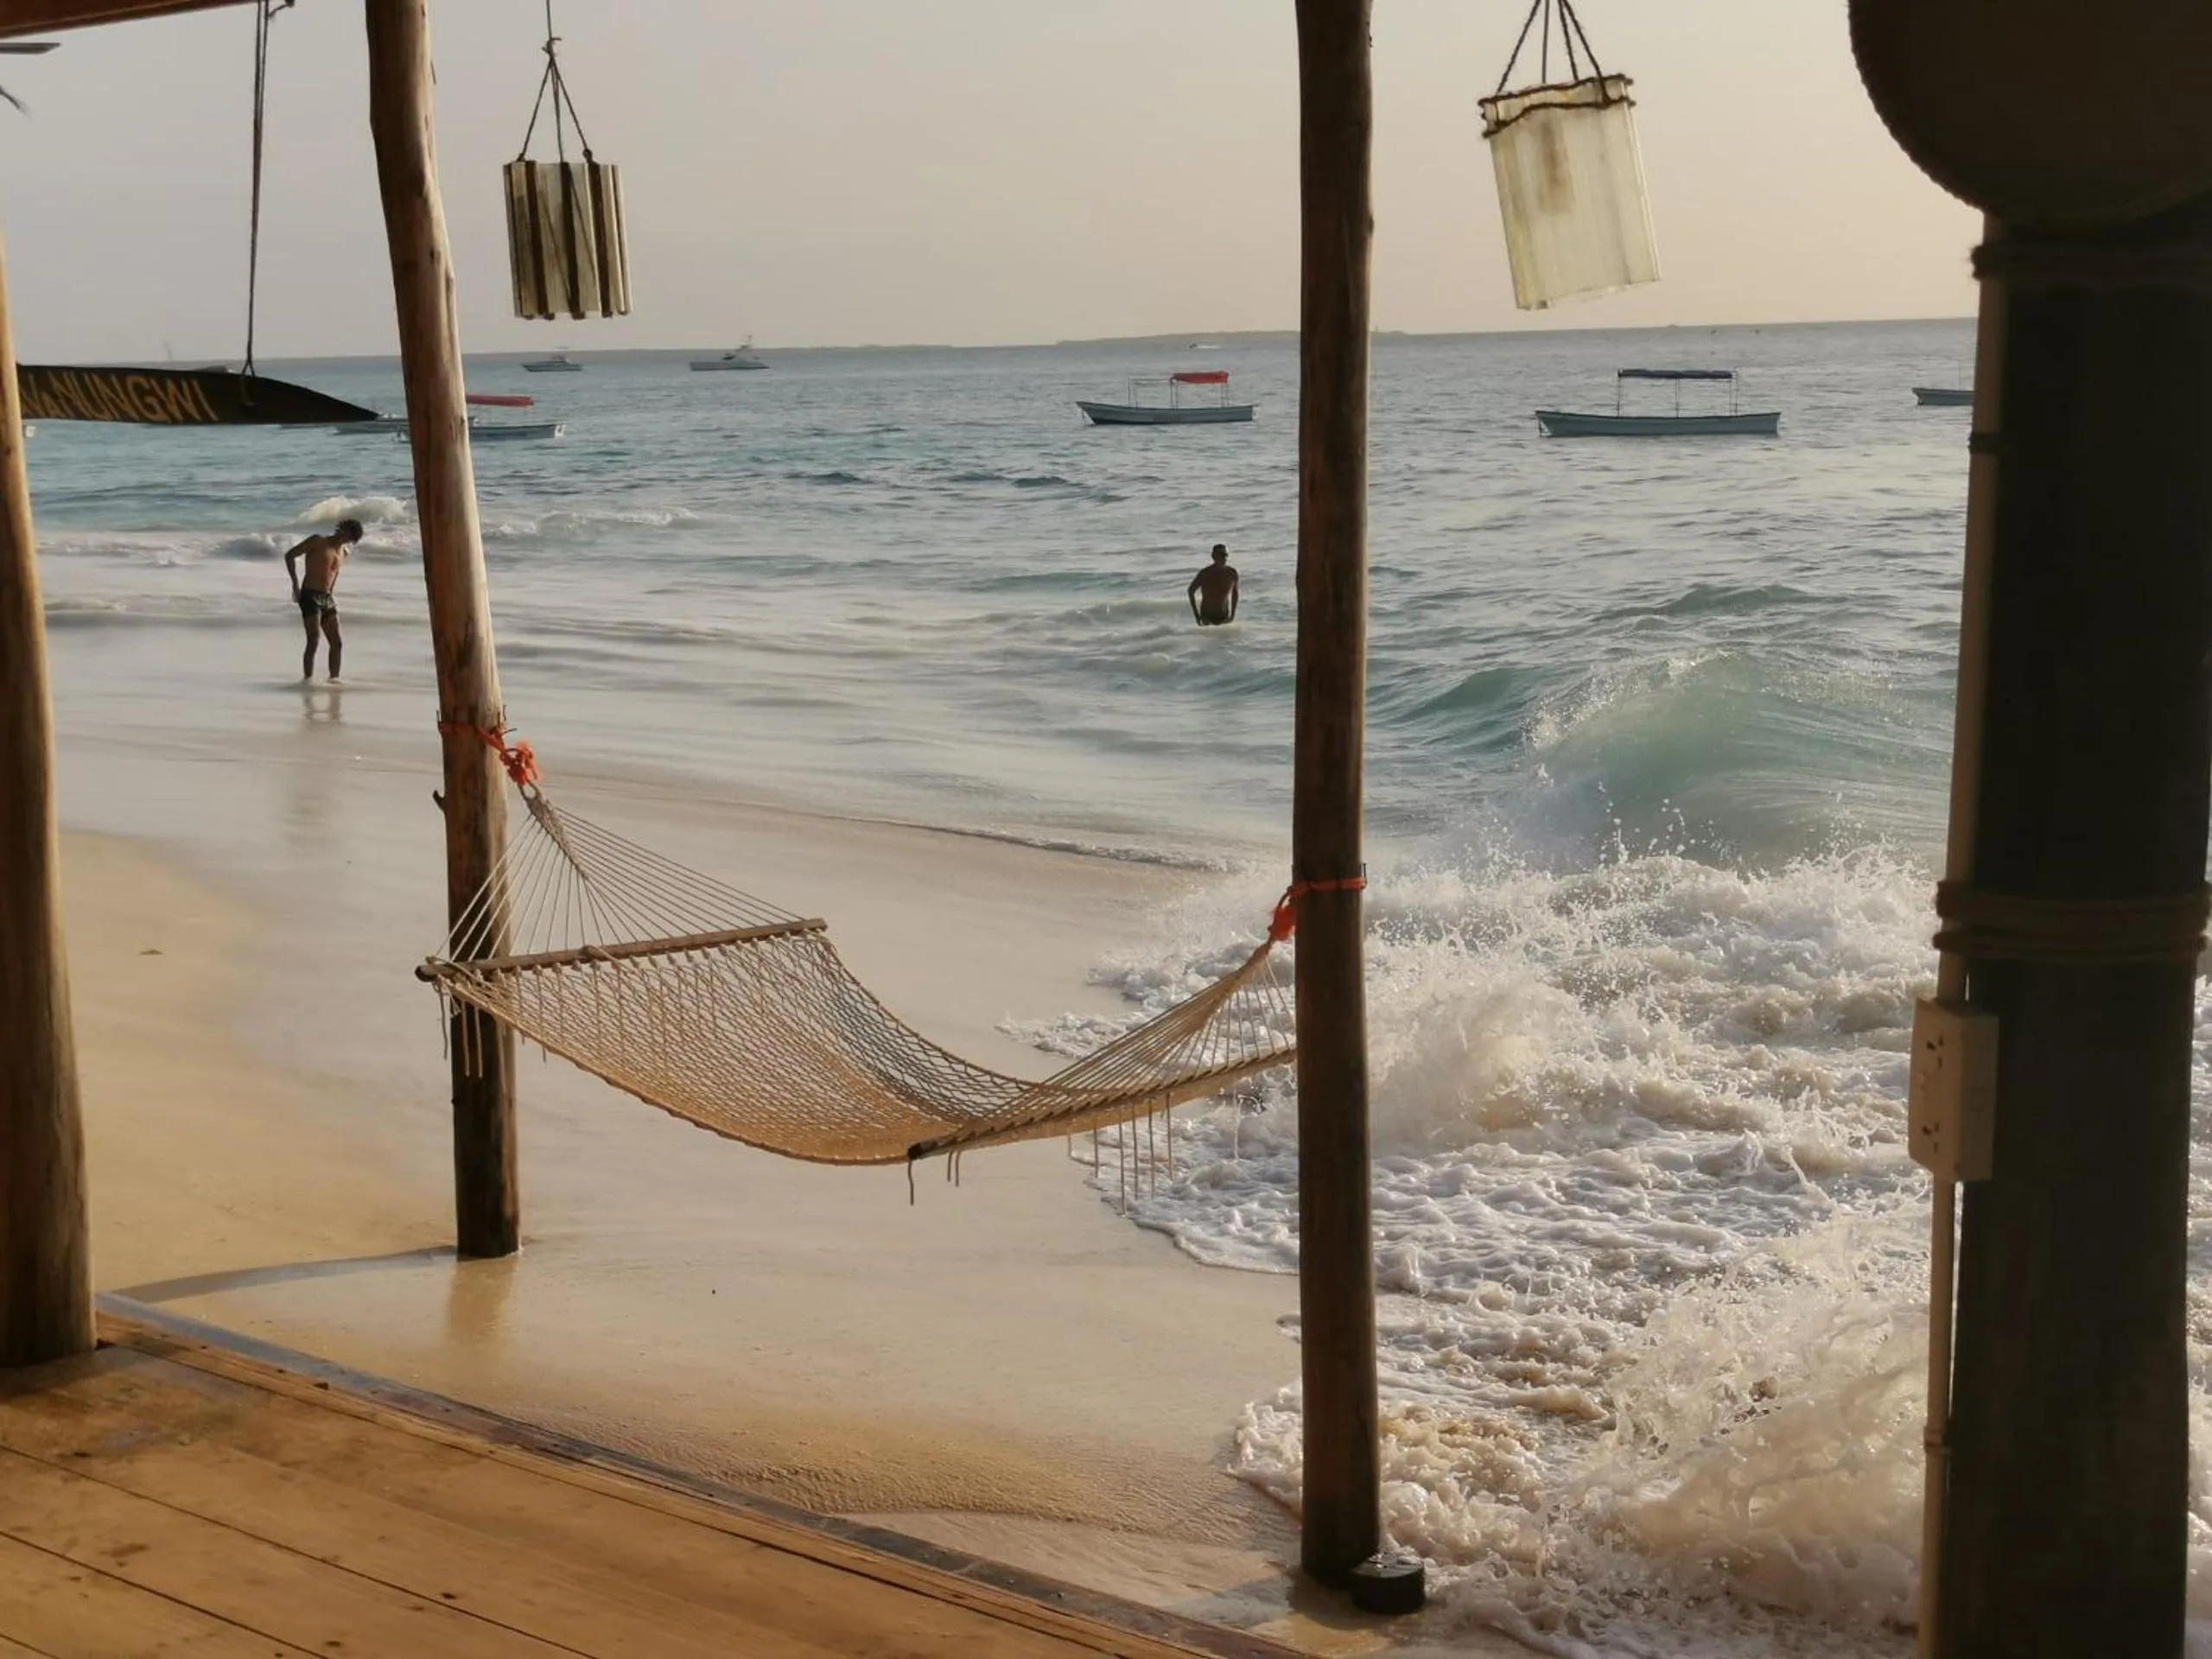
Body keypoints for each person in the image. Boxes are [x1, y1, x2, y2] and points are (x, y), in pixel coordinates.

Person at [285, 518, 363, 682]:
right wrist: (295, 585)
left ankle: (334, 680)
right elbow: (290, 555)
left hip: (326, 597)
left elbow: (334, 573)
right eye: (345, 533)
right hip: (309, 594)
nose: (345, 538)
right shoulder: (317, 541)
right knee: (313, 640)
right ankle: (308, 681)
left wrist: (331, 593)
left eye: (349, 538)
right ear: (341, 528)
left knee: (337, 642)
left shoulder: (344, 551)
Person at [1188, 543, 1239, 626]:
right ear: (1213, 556)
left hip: (1224, 616)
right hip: (1207, 617)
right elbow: (1191, 591)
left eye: (1226, 555)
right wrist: (1196, 615)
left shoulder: (1232, 573)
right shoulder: (1205, 573)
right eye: (1221, 555)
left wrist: (1232, 615)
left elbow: (1235, 593)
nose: (1224, 558)